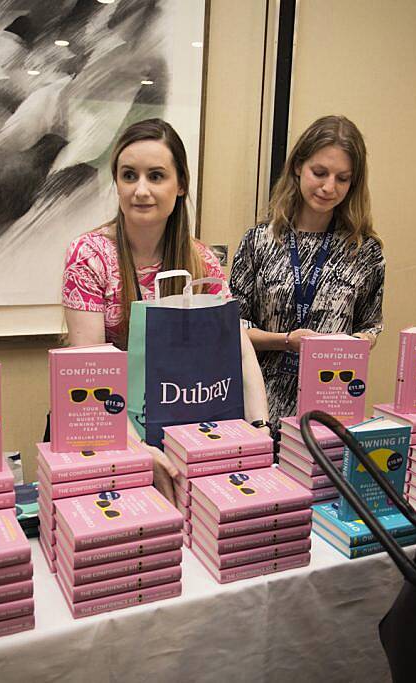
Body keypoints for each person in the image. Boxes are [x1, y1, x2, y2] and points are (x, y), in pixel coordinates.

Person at [62, 118, 269, 500]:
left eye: (156, 176)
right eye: (129, 176)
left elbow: (237, 348)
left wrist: (259, 430)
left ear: (181, 186)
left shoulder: (202, 260)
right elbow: (89, 373)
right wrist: (137, 450)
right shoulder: (90, 255)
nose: (140, 190)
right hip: (108, 435)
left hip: (182, 435)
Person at [230, 115, 385, 425]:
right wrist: (286, 340)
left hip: (332, 404)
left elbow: (370, 326)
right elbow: (233, 328)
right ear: (298, 166)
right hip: (260, 406)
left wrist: (351, 345)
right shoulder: (258, 241)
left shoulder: (365, 250)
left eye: (342, 178)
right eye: (320, 172)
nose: (329, 187)